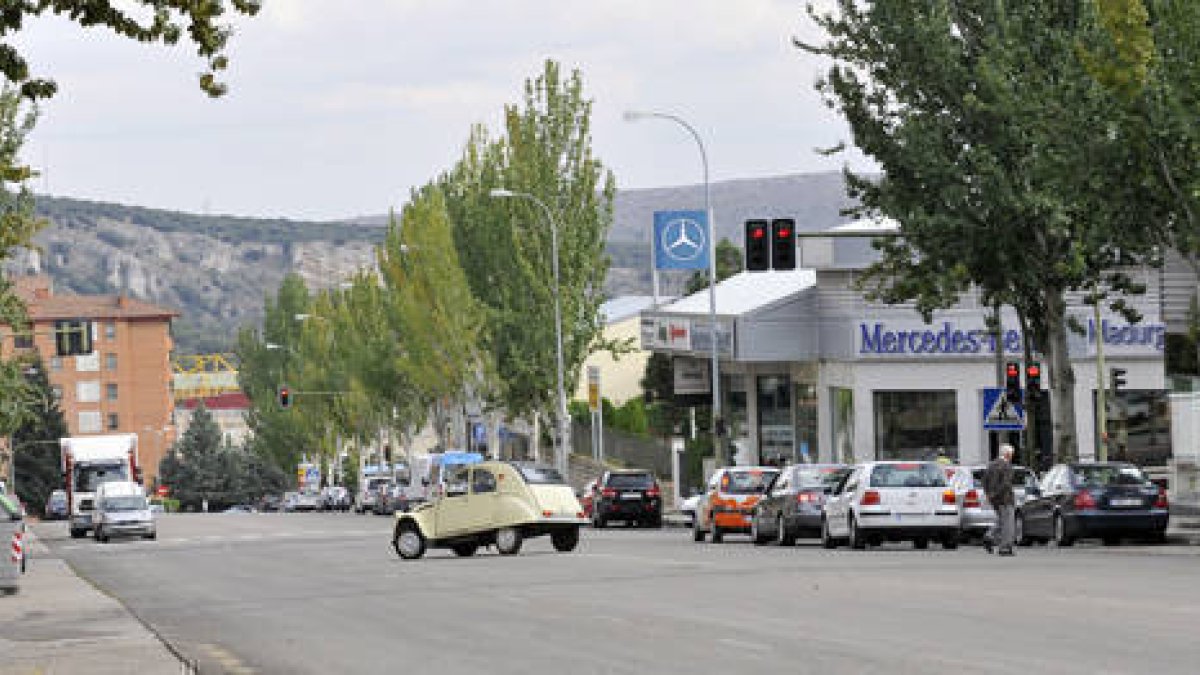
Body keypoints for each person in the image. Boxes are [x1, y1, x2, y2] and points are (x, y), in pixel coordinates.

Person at [982, 444, 1016, 556]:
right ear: (1008, 454)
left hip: (994, 499)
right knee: (1008, 523)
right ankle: (1005, 547)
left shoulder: (991, 465)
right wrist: (996, 494)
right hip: (1005, 498)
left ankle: (989, 536)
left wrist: (988, 494)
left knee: (1001, 520)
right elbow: (1006, 484)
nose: (1012, 456)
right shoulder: (1007, 466)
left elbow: (984, 480)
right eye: (1011, 454)